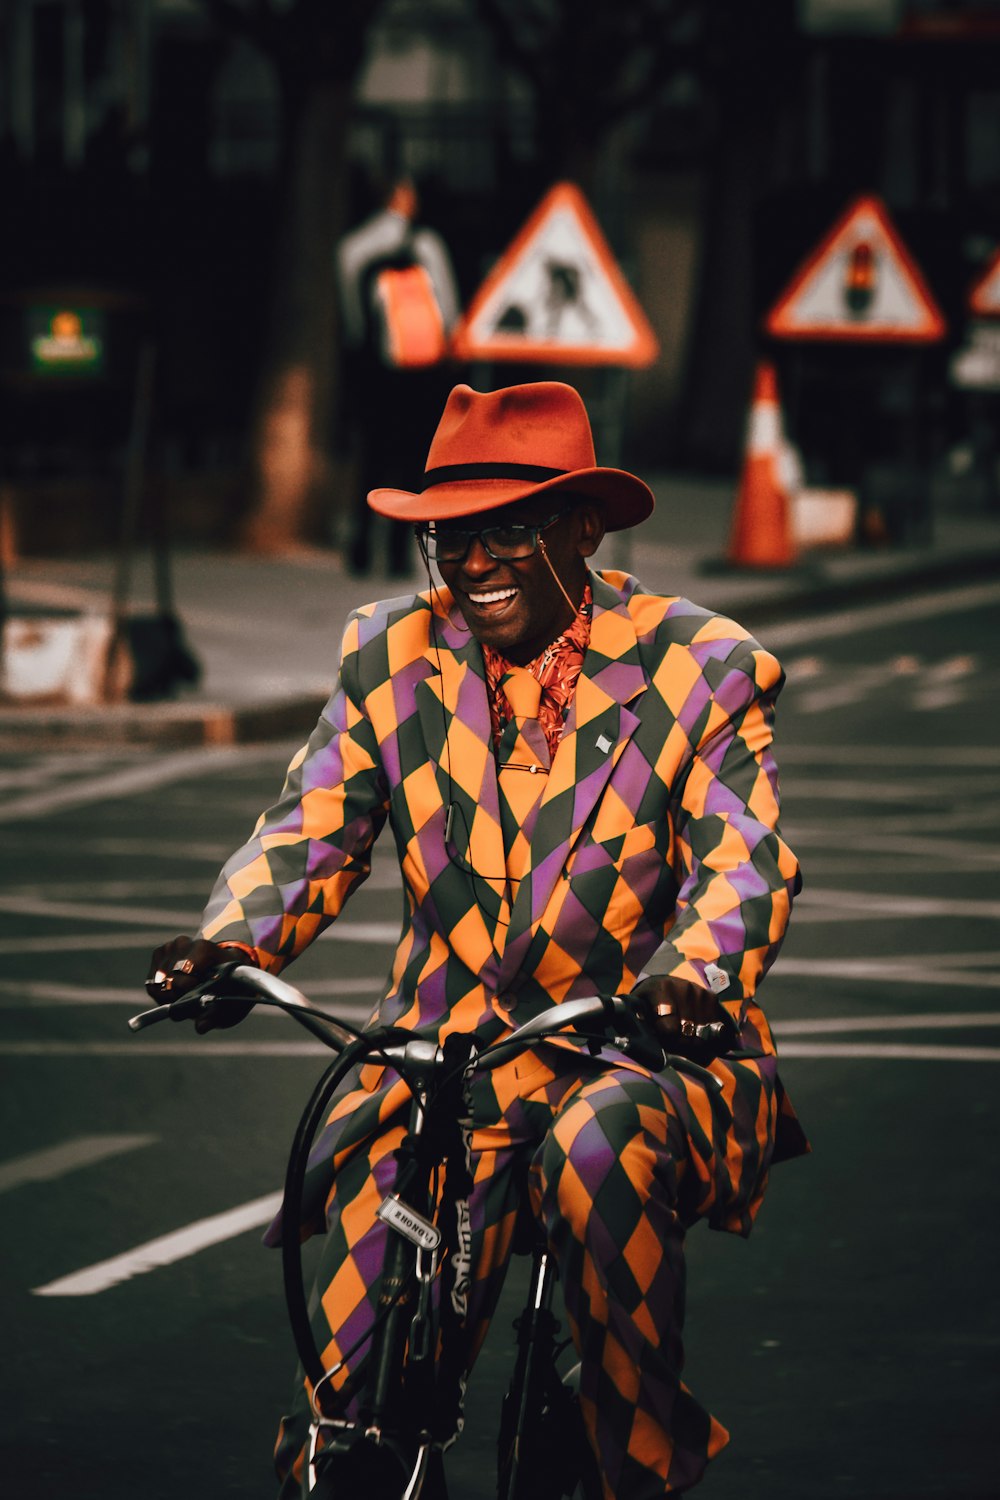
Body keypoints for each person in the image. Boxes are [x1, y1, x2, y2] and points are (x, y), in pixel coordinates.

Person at [146, 381, 807, 1498]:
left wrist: (695, 977)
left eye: (510, 530)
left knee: (599, 1153)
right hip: (446, 1056)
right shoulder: (390, 652)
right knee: (366, 1241)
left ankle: (628, 1453)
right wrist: (228, 947)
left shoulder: (699, 666)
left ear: (582, 531)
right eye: (450, 536)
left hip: (640, 1051)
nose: (473, 562)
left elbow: (744, 858)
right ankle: (353, 1444)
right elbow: (311, 831)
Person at [334, 174, 461, 577]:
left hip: (374, 373)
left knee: (370, 459)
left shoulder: (352, 249)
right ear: (403, 197)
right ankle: (397, 553)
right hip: (418, 375)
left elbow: (353, 320)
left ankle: (359, 546)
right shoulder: (426, 245)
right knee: (410, 463)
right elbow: (449, 310)